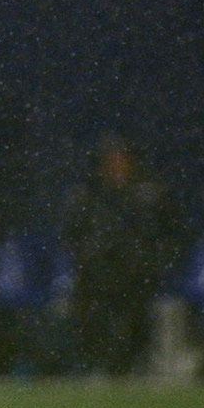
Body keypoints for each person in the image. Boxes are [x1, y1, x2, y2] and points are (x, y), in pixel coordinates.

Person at [62, 136, 186, 376]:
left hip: (139, 275)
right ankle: (95, 366)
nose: (115, 166)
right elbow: (70, 237)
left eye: (121, 160)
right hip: (96, 275)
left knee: (135, 311)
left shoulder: (151, 193)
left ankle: (133, 365)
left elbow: (172, 235)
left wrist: (153, 261)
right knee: (89, 307)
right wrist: (90, 257)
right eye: (109, 161)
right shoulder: (87, 196)